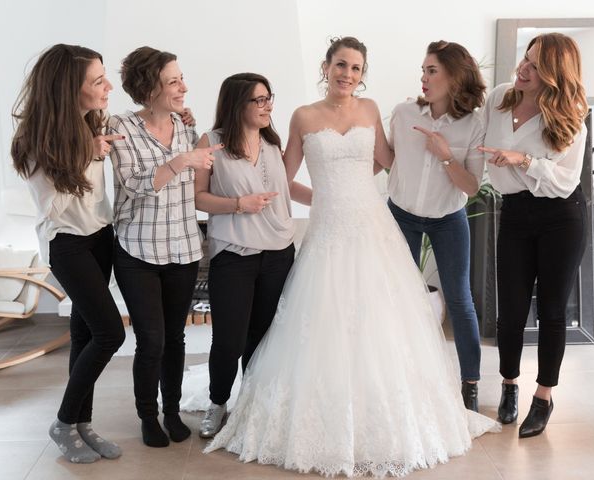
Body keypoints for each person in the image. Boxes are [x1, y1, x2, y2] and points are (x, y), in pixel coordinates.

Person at [204, 37, 498, 477]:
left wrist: (364, 183)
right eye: (341, 65)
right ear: (326, 67)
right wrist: (308, 195)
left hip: (369, 223)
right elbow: (283, 177)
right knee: (323, 316)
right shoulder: (303, 116)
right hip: (327, 226)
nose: (348, 74)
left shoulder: (371, 109)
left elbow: (385, 159)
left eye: (357, 68)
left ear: (363, 75)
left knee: (382, 317)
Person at [11, 44, 125, 463]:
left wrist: (178, 113)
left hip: (100, 239)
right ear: (67, 89)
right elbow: (50, 209)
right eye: (97, 81)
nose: (107, 86)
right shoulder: (35, 140)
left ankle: (82, 425)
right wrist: (86, 155)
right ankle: (62, 422)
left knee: (85, 334)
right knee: (111, 333)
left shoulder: (94, 121)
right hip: (68, 245)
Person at [107, 46, 218, 447]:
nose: (183, 86)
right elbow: (136, 185)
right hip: (138, 251)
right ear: (148, 87)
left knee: (175, 338)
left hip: (185, 249)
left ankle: (171, 411)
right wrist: (181, 161)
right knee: (151, 339)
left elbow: (192, 179)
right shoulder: (120, 126)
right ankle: (147, 415)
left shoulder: (186, 127)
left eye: (181, 78)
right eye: (173, 81)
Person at [479, 32, 588, 438]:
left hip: (561, 216)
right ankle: (509, 386)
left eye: (535, 65)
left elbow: (565, 181)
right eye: (525, 59)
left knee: (552, 311)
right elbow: (477, 136)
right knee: (509, 309)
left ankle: (543, 396)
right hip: (516, 214)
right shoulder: (502, 97)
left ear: (555, 74)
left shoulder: (570, 114)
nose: (523, 68)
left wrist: (524, 160)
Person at [194, 73, 306, 438]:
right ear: (236, 104)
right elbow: (198, 197)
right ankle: (217, 403)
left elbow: (285, 187)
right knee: (229, 338)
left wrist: (329, 196)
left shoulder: (273, 145)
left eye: (268, 98)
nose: (267, 106)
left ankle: (252, 405)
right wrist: (238, 204)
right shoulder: (212, 142)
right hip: (234, 254)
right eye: (258, 100)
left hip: (278, 252)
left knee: (263, 336)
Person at [387, 40, 486, 412]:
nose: (424, 78)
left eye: (432, 71)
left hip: (448, 219)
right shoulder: (402, 112)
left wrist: (446, 157)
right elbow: (389, 158)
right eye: (423, 71)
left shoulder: (474, 125)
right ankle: (403, 379)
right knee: (398, 298)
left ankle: (470, 383)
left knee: (460, 299)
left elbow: (473, 186)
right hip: (401, 216)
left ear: (454, 77)